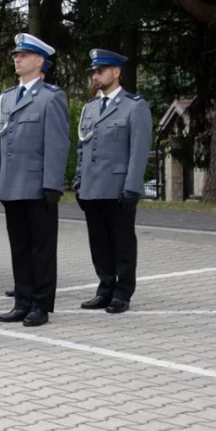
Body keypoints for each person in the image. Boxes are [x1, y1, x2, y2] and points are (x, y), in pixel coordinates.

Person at [0, 33, 70, 326]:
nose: (17, 58)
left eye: (23, 55)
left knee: (42, 248)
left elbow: (58, 143)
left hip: (39, 186)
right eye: (16, 55)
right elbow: (2, 141)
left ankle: (41, 304)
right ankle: (22, 300)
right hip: (13, 185)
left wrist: (53, 183)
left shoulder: (51, 97)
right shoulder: (9, 97)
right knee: (19, 247)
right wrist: (0, 179)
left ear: (40, 61)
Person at [75, 49, 152, 314]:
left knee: (122, 241)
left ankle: (123, 291)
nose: (96, 75)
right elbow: (82, 147)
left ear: (116, 72)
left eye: (101, 71)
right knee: (99, 242)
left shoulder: (134, 106)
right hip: (92, 187)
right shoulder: (91, 107)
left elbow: (138, 150)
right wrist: (78, 181)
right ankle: (105, 287)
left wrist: (132, 187)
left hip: (119, 188)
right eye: (94, 72)